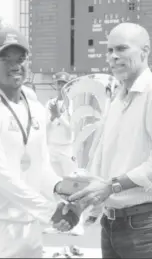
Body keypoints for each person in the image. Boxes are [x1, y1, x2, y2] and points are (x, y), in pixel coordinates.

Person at [67, 22, 152, 258]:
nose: (113, 57)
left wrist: (111, 186)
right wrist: (80, 204)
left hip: (147, 227)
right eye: (109, 51)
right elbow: (105, 164)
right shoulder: (117, 100)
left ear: (145, 50)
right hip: (112, 225)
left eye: (121, 49)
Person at [0, 28, 81, 258]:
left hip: (28, 230)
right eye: (5, 58)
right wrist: (51, 211)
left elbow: (40, 166)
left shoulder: (35, 107)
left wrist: (62, 190)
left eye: (21, 58)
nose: (15, 65)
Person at [44, 72, 84, 236]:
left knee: (73, 188)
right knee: (54, 188)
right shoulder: (49, 103)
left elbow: (74, 129)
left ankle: (78, 223)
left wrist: (60, 116)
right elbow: (45, 125)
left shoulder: (74, 104)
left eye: (64, 84)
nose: (61, 87)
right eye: (59, 84)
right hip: (52, 147)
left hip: (67, 148)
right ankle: (58, 222)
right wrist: (53, 117)